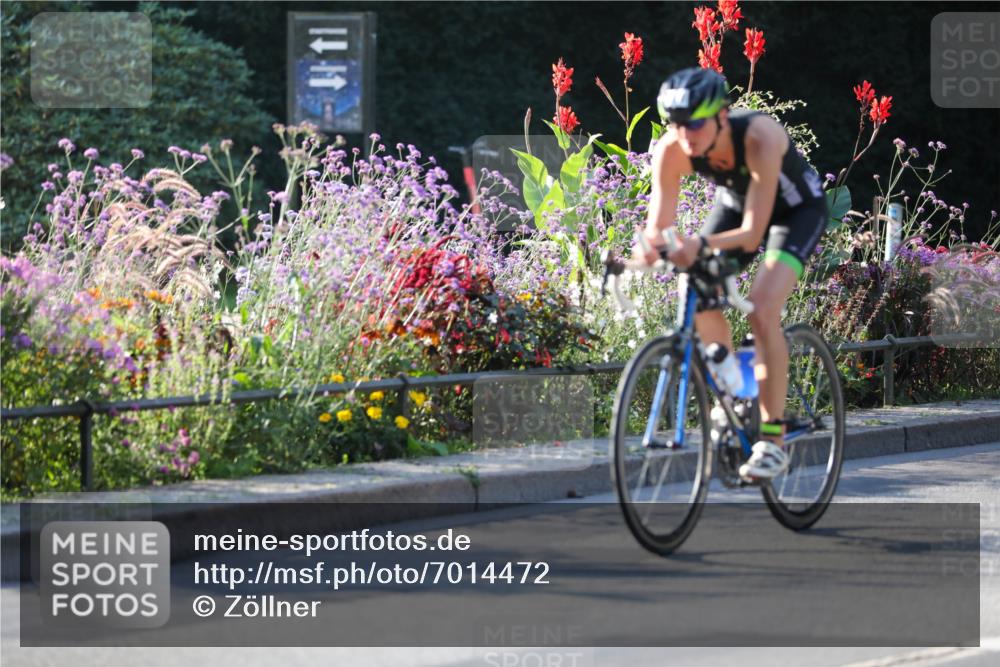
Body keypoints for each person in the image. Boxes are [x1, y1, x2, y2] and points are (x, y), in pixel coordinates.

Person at [631, 66, 828, 480]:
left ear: (722, 115)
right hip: (736, 205)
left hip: (795, 214)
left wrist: (696, 245)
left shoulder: (760, 136)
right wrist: (643, 254)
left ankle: (772, 442)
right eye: (676, 124)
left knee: (760, 308)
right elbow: (658, 225)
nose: (686, 134)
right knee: (692, 281)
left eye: (696, 123)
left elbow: (753, 233)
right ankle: (735, 393)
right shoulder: (672, 149)